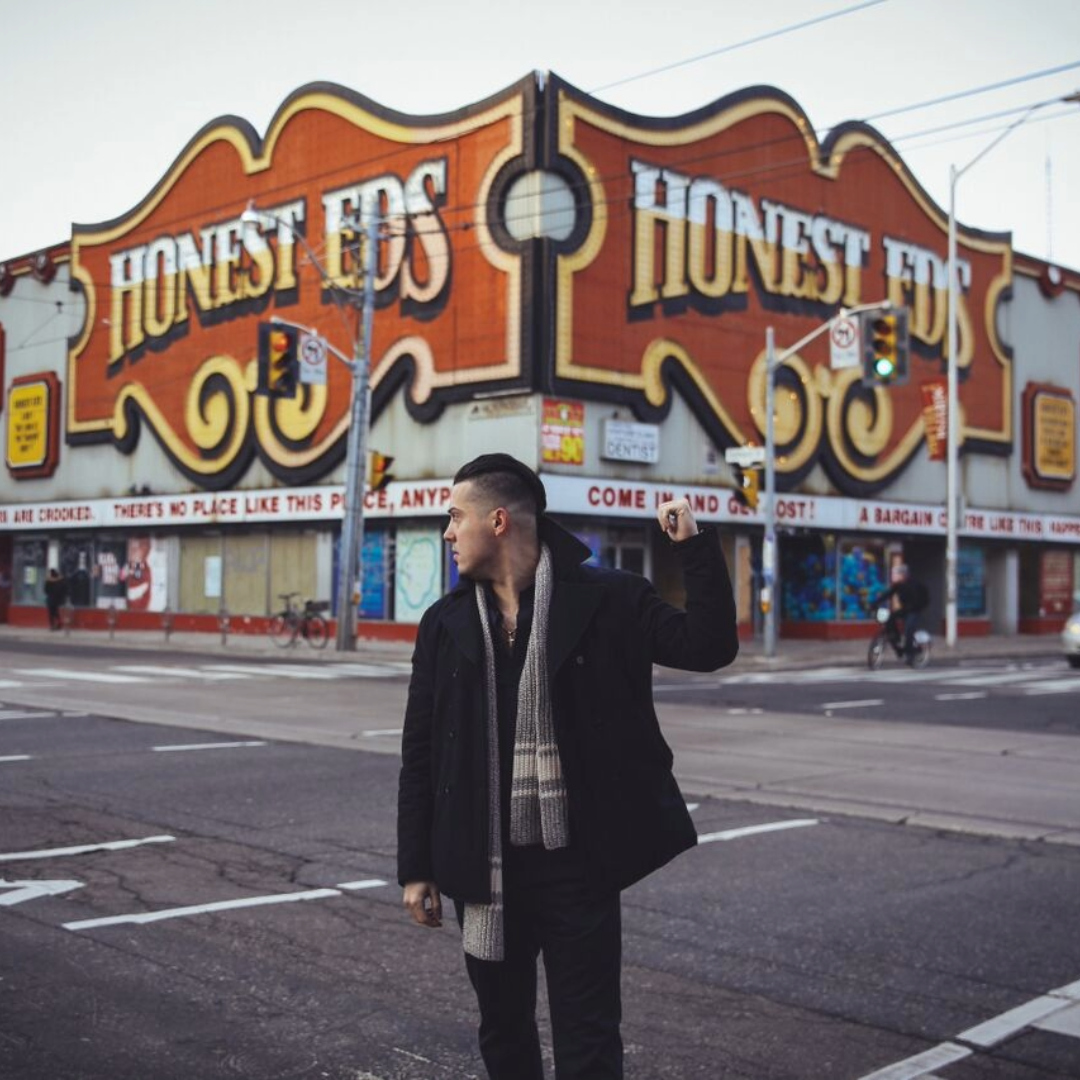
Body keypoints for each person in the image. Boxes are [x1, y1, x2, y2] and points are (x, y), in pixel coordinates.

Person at [397, 453, 739, 1079]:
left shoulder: (609, 599)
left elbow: (709, 647)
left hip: (579, 863)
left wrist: (693, 546)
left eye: (454, 517)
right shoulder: (444, 625)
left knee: (588, 1036)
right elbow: (421, 751)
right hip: (484, 865)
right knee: (503, 1031)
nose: (447, 532)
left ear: (497, 521)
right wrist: (416, 867)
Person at [877, 563, 929, 662]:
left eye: (896, 574)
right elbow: (888, 594)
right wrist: (875, 603)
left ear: (903, 575)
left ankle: (910, 654)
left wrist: (916, 606)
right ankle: (896, 639)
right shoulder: (898, 585)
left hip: (915, 610)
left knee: (909, 629)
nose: (893, 576)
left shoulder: (915, 584)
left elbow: (922, 600)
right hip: (905, 609)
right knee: (890, 618)